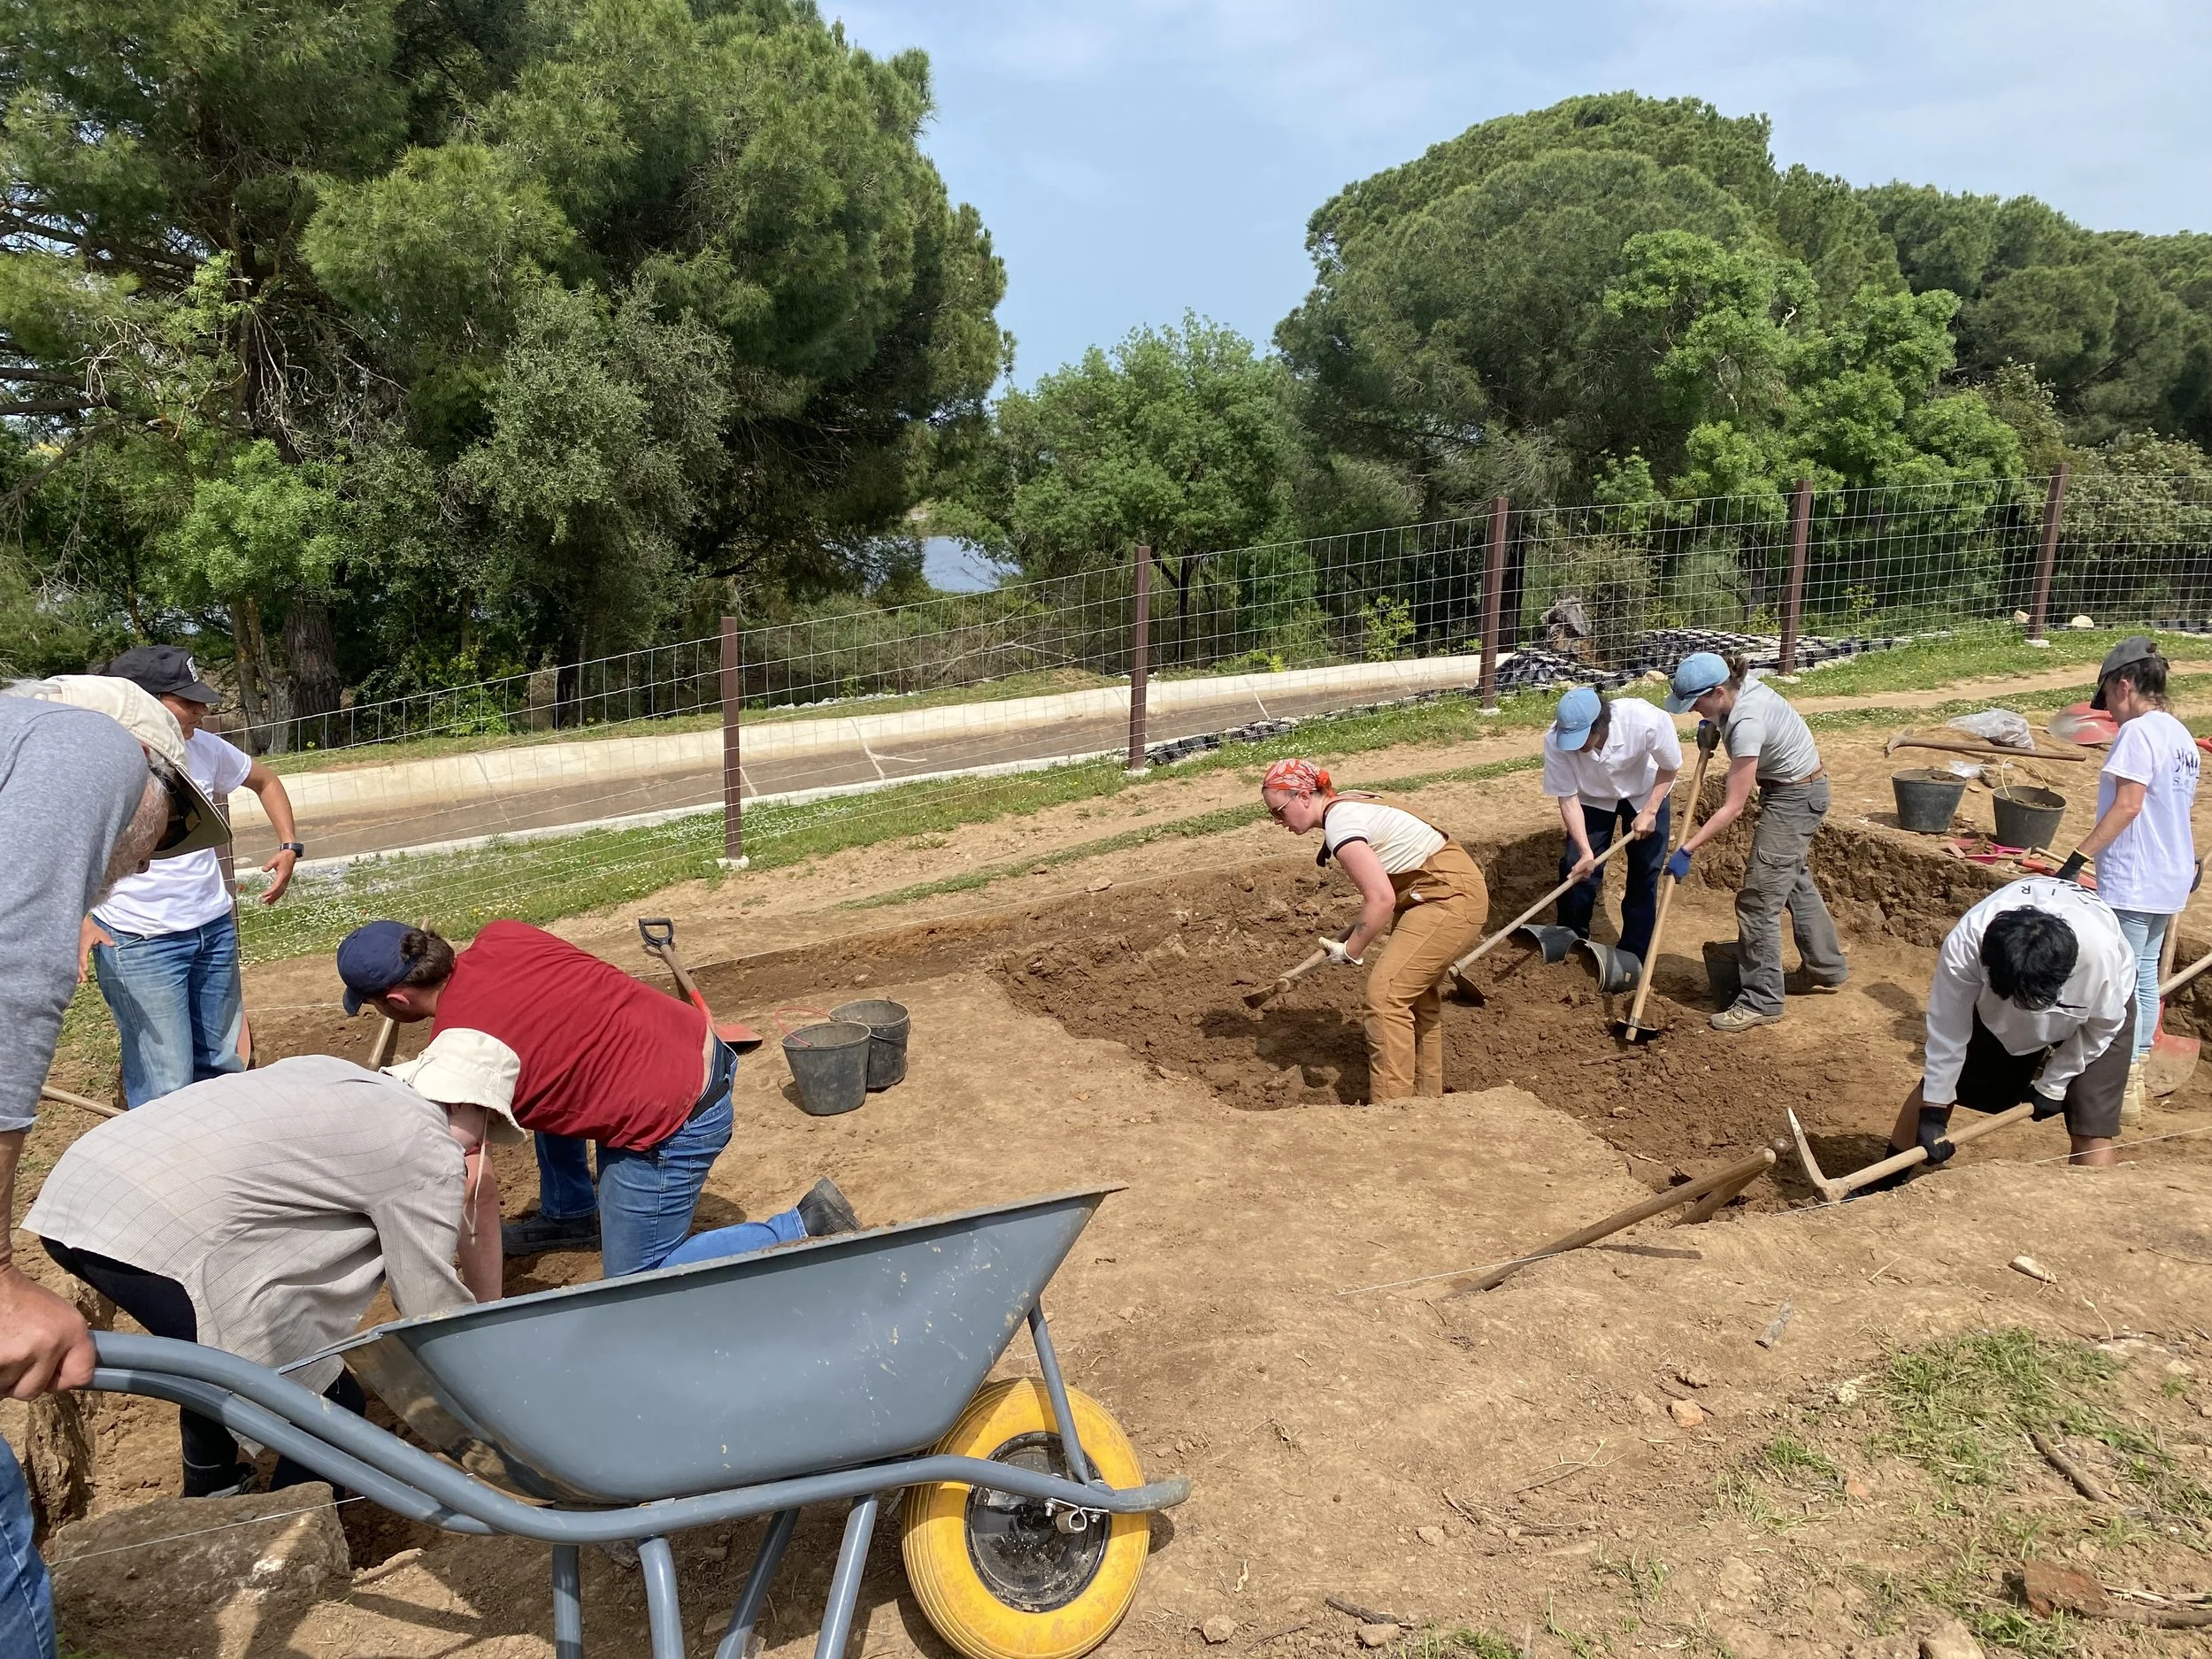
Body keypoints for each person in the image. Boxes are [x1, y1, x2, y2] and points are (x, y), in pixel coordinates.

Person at [26, 1039, 517, 1497]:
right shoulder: (427, 1146)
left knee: (216, 1359)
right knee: (329, 1411)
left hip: (78, 1195)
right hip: (155, 1230)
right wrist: (490, 1391)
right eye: (486, 1126)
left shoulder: (332, 1072)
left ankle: (213, 1491)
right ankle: (291, 1546)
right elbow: (426, 1303)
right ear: (461, 1104)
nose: (480, 1148)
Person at [0, 674, 228, 1659]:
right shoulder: (82, 748)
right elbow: (12, 972)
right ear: (147, 768)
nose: (136, 870)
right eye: (165, 830)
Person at [336, 918, 859, 1277]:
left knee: (639, 1279)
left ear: (398, 1000)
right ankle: (569, 1213)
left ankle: (803, 1224)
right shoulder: (505, 937)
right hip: (692, 1044)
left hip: (673, 1117)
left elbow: (473, 1174)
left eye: (374, 1005)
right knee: (532, 1086)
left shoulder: (461, 1050)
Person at [81, 645, 305, 1106]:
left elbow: (265, 779)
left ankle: (215, 1165)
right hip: (139, 940)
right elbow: (58, 845)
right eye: (187, 701)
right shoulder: (96, 763)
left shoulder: (201, 747)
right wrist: (80, 919)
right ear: (142, 701)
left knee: (222, 1064)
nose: (202, 709)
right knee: (166, 1081)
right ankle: (161, 1170)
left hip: (212, 930)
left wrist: (289, 846)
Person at [1257, 758, 1490, 1102]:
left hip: (1447, 897)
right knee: (1415, 996)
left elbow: (1380, 900)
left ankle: (1391, 1110)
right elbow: (1384, 891)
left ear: (1305, 796)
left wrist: (1351, 950)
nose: (1278, 822)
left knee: (1384, 999)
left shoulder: (1341, 824)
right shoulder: (1345, 806)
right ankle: (1428, 1101)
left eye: (1279, 812)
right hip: (1428, 894)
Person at [1876, 876, 2133, 1184]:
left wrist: (2054, 1084)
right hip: (1993, 1007)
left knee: (2091, 1122)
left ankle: (2093, 1208)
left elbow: (2102, 1027)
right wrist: (1933, 1107)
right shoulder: (1968, 942)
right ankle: (1881, 1183)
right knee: (1940, 1087)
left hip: (2094, 1022)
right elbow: (1948, 1029)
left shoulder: (2101, 958)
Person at [2054, 636, 2199, 1119]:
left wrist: (2078, 858)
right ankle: (2134, 1070)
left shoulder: (2137, 734)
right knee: (2144, 977)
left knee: (2122, 977)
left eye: (2110, 701)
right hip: (2170, 873)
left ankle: (2121, 1082)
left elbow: (2130, 805)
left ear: (2125, 683)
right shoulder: (2180, 734)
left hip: (2137, 876)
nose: (2110, 713)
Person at [1664, 651, 1848, 1030]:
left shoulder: (1748, 721)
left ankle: (1762, 1000)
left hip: (1794, 799)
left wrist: (1687, 848)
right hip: (1796, 789)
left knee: (1757, 902)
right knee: (1794, 881)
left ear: (1718, 690)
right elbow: (1729, 716)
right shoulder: (1739, 694)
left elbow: (1733, 806)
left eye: (1697, 703)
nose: (1692, 711)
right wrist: (1717, 720)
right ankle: (1825, 967)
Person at [1541, 686, 1682, 982]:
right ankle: (1571, 940)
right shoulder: (1555, 741)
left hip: (1645, 791)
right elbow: (1567, 797)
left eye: (1581, 740)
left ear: (1600, 726)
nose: (1575, 747)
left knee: (1645, 873)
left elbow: (1670, 768)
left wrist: (1651, 811)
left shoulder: (1644, 721)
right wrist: (1585, 851)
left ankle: (1633, 954)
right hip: (1592, 798)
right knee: (1575, 869)